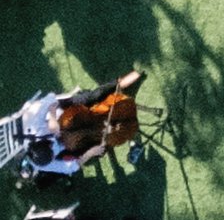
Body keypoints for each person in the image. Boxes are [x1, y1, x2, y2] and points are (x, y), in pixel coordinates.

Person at [7, 67, 145, 177]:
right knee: (97, 146)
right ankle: (124, 130)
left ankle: (120, 83)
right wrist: (90, 152)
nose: (52, 147)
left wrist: (53, 115)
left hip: (62, 114)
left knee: (92, 97)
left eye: (49, 146)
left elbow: (50, 100)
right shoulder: (41, 163)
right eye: (51, 151)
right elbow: (69, 167)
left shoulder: (33, 121)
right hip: (68, 141)